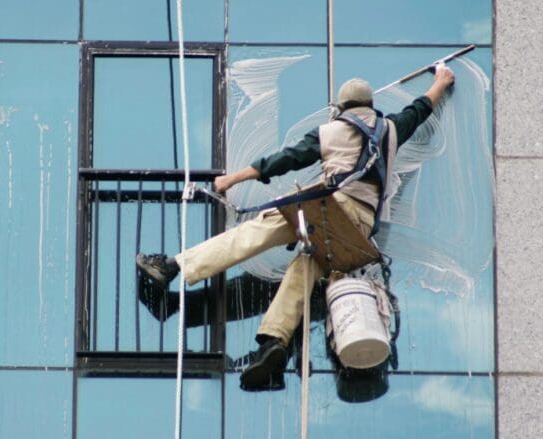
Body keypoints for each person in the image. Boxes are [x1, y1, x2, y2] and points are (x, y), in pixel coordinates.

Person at [136, 65, 456, 391]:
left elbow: (285, 159)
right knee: (305, 268)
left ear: (341, 109)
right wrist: (442, 80)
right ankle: (273, 343)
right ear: (370, 106)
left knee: (256, 232)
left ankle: (173, 266)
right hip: (357, 234)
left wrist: (233, 179)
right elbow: (420, 109)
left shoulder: (331, 131)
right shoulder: (391, 128)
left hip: (326, 208)